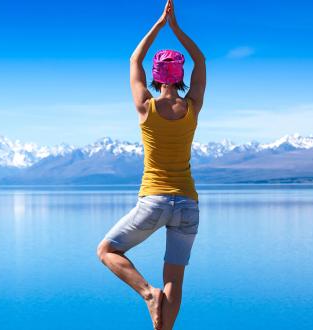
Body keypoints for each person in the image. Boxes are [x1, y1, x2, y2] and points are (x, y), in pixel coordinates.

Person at [96, 0, 206, 329]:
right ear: (181, 75)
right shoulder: (193, 106)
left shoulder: (146, 107)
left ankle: (147, 294)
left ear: (156, 77)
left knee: (106, 250)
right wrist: (176, 28)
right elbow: (201, 59)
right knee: (174, 280)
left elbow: (134, 59)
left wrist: (159, 24)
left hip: (154, 201)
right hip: (188, 204)